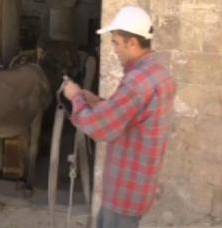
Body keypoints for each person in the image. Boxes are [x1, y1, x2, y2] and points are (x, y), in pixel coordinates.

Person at [62, 6, 177, 228]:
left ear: (132, 43)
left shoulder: (136, 81)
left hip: (124, 191)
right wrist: (97, 102)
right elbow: (131, 114)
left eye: (116, 42)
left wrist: (75, 97)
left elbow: (98, 127)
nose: (114, 49)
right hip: (141, 185)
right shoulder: (159, 73)